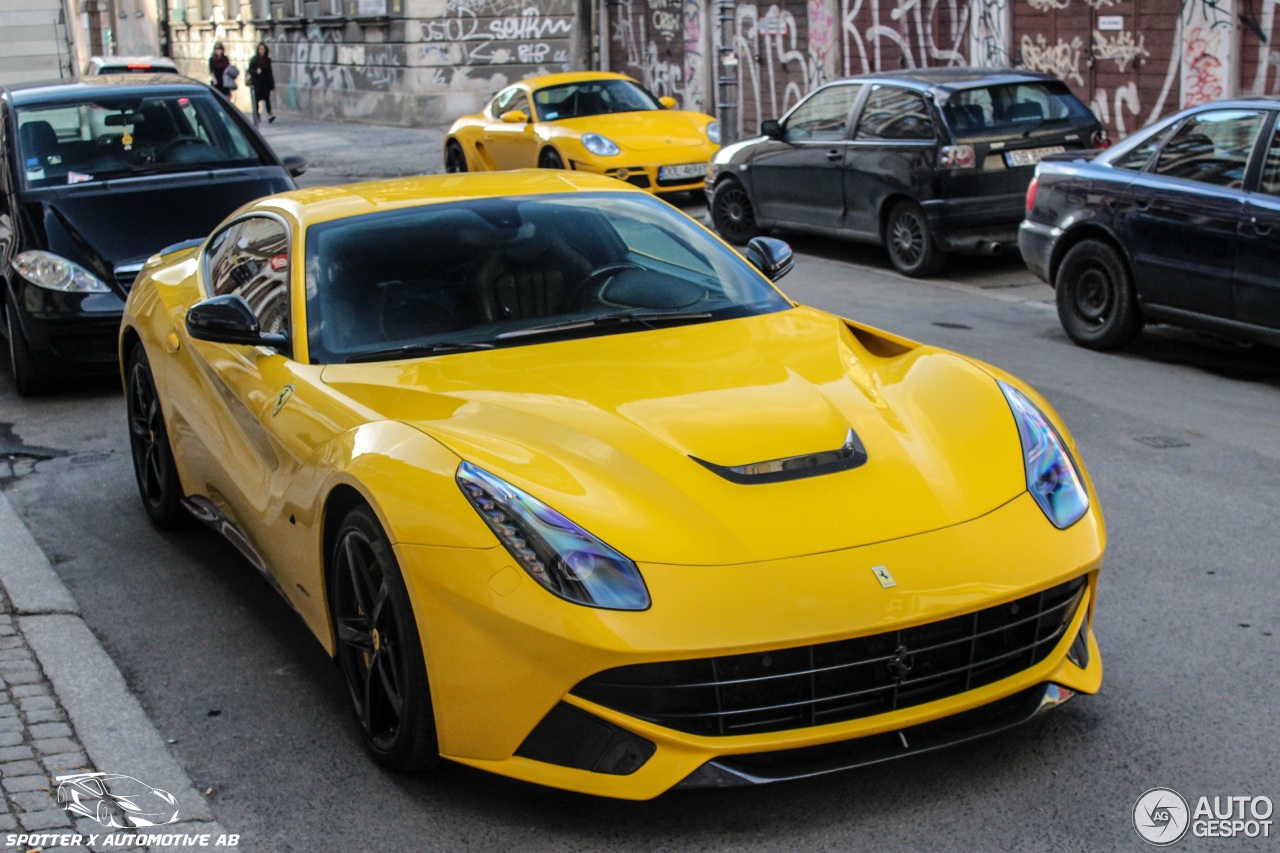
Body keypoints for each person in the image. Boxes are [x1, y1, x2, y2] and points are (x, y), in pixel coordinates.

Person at [247, 43, 276, 125]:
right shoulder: (254, 60)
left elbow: (270, 73)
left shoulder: (267, 60)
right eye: (260, 49)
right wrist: (256, 71)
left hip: (265, 83)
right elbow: (250, 70)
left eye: (263, 49)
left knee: (267, 99)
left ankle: (270, 114)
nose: (261, 51)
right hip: (257, 83)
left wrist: (272, 84)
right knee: (256, 100)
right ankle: (257, 115)